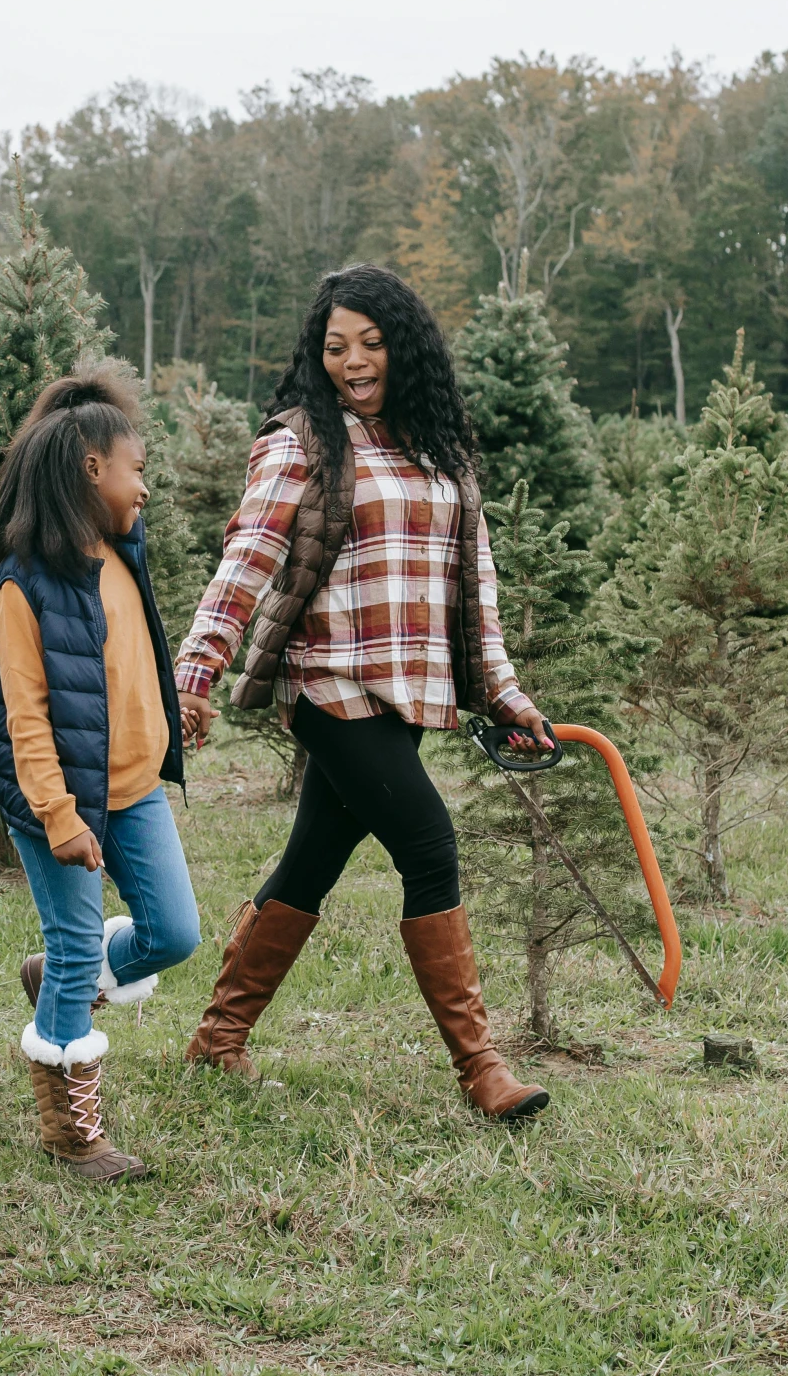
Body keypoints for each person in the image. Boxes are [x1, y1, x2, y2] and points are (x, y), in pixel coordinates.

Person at [174, 263, 558, 1122]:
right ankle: (482, 1069)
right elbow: (246, 565)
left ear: (404, 346)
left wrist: (504, 694)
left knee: (312, 859)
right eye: (336, 345)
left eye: (371, 343)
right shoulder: (302, 442)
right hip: (332, 682)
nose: (353, 360)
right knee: (430, 847)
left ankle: (217, 1039)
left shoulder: (440, 450)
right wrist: (194, 675)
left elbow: (476, 585)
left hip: (411, 690)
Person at [0, 366, 201, 1181]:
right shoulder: (21, 587)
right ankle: (72, 1132)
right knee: (74, 944)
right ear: (90, 470)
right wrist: (60, 816)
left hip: (134, 788)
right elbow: (23, 719)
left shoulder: (121, 554)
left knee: (176, 931)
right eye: (137, 469)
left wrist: (176, 718)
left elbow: (134, 664)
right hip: (60, 803)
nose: (145, 487)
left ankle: (65, 979)